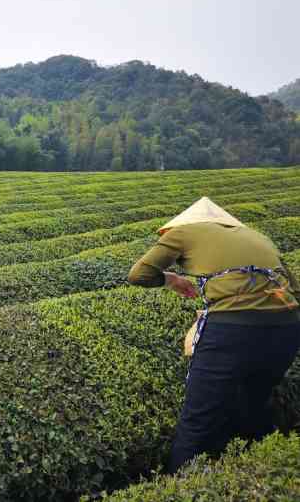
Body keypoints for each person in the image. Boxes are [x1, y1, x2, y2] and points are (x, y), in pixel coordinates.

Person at [127, 196, 300, 473]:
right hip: (287, 328)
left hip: (234, 330)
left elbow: (139, 274)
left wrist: (171, 279)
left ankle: (180, 487)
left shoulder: (184, 232)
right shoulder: (259, 237)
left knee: (198, 421)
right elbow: (295, 290)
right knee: (251, 408)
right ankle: (258, 474)